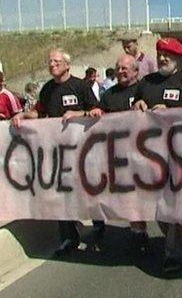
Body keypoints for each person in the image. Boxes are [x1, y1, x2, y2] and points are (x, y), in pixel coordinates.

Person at [11, 48, 104, 256]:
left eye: (56, 61)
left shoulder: (81, 86)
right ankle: (69, 238)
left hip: (83, 151)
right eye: (49, 62)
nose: (51, 64)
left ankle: (98, 221)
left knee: (88, 190)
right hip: (58, 153)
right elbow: (39, 111)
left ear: (67, 64)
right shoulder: (47, 89)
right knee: (60, 194)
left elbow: (96, 111)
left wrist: (77, 113)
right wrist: (25, 116)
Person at [132, 37, 182, 273]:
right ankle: (174, 237)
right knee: (157, 204)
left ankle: (173, 252)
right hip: (150, 154)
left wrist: (170, 112)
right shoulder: (145, 82)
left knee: (174, 201)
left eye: (168, 55)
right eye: (160, 54)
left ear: (178, 59)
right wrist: (138, 105)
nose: (163, 58)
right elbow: (132, 115)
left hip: (178, 153)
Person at [98, 55, 150, 254]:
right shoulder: (109, 94)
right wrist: (94, 111)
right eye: (118, 68)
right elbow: (98, 112)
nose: (121, 71)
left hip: (147, 154)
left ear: (136, 71)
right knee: (131, 196)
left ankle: (171, 234)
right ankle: (138, 232)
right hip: (120, 156)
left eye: (125, 68)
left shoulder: (145, 89)